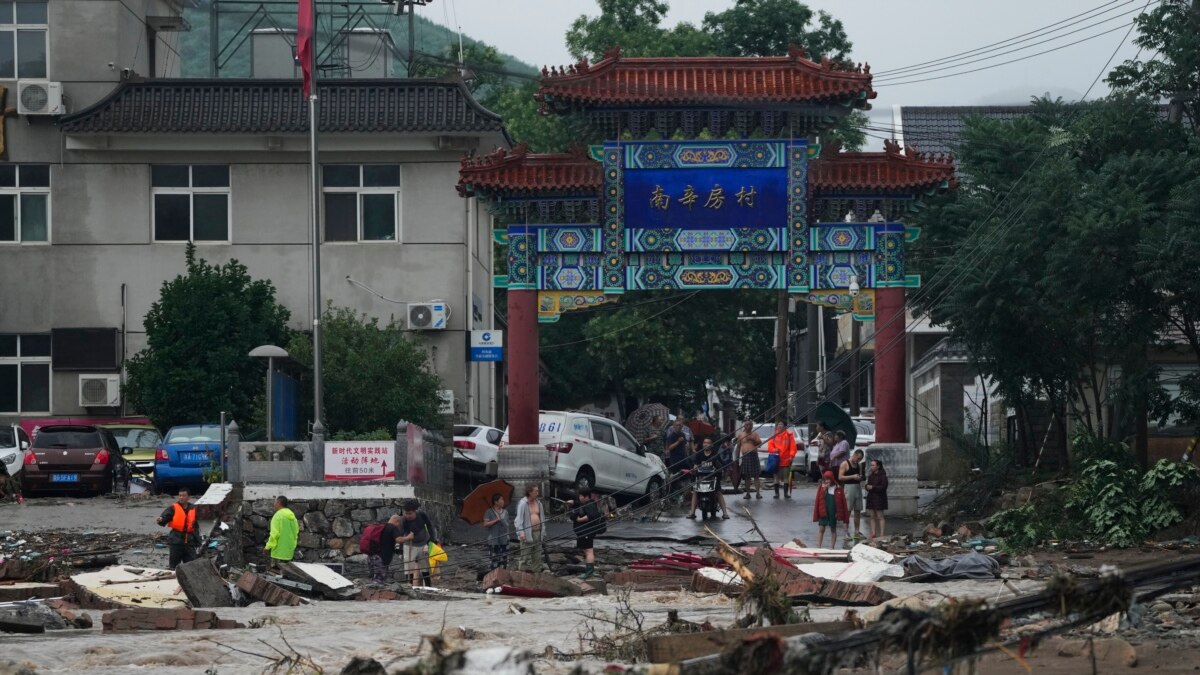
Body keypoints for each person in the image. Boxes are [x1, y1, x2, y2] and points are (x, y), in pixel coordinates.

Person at [397, 499, 438, 587]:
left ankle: (428, 587)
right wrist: (400, 550)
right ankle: (409, 586)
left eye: (410, 513)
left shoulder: (421, 515)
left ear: (415, 511)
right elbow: (400, 535)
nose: (408, 516)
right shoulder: (403, 520)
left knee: (425, 567)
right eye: (406, 513)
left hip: (423, 544)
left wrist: (431, 540)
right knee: (409, 568)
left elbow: (429, 526)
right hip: (409, 546)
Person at [156, 487, 199, 569]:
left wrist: (197, 540)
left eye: (183, 496)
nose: (181, 497)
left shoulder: (193, 508)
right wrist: (160, 520)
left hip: (189, 542)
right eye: (180, 496)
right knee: (173, 567)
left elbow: (196, 527)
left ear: (188, 497)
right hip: (176, 541)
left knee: (192, 566)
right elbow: (165, 517)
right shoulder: (173, 508)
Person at [686, 438, 729, 519]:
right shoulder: (699, 454)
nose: (706, 444)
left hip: (713, 478)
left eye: (708, 443)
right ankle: (692, 513)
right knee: (695, 492)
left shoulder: (715, 454)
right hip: (701, 478)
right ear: (703, 444)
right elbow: (695, 465)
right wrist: (693, 470)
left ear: (712, 445)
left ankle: (725, 513)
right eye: (704, 442)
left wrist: (721, 470)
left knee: (718, 492)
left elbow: (720, 465)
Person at [567, 487, 604, 579]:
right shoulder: (585, 504)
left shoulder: (590, 504)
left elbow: (592, 515)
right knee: (587, 551)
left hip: (587, 532)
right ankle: (589, 571)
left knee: (588, 551)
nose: (579, 498)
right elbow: (580, 505)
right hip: (584, 532)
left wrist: (579, 519)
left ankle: (589, 572)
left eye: (580, 496)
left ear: (585, 496)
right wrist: (573, 503)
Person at [514, 484, 548, 573]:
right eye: (535, 491)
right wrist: (521, 532)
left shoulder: (538, 503)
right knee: (525, 556)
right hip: (527, 533)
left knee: (537, 556)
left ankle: (536, 576)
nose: (538, 493)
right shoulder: (523, 504)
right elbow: (519, 520)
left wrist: (543, 531)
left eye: (537, 491)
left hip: (538, 532)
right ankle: (521, 575)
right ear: (530, 492)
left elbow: (542, 517)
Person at [812, 470, 849, 549]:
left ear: (832, 479)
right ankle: (818, 546)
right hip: (823, 511)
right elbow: (818, 501)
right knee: (821, 528)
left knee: (833, 528)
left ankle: (832, 547)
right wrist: (824, 490)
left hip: (833, 511)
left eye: (828, 479)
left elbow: (843, 502)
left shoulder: (837, 488)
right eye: (825, 479)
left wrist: (840, 514)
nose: (827, 481)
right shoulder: (821, 487)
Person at [368, 515, 407, 583]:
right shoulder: (392, 527)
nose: (398, 526)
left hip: (371, 557)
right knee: (379, 580)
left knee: (373, 578)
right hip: (380, 559)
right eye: (399, 524)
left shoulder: (381, 527)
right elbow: (399, 540)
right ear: (397, 521)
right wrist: (408, 537)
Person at [838, 449, 867, 539]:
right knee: (848, 510)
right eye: (857, 458)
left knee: (857, 510)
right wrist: (852, 476)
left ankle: (857, 531)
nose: (858, 461)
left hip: (857, 487)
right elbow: (840, 477)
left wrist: (860, 477)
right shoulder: (845, 464)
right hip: (848, 487)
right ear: (854, 455)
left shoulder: (859, 465)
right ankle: (846, 532)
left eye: (860, 459)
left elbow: (861, 475)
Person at [264, 495, 299, 568]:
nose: (274, 504)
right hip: (289, 552)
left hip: (278, 553)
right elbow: (296, 532)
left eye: (275, 502)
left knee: (275, 576)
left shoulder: (278, 516)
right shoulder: (292, 516)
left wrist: (267, 547)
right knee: (287, 575)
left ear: (278, 503)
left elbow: (274, 534)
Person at [767, 422, 798, 500]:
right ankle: (777, 494)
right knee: (776, 478)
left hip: (786, 459)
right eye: (779, 424)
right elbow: (770, 446)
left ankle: (785, 494)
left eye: (782, 424)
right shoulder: (774, 435)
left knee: (785, 478)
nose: (780, 426)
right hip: (776, 460)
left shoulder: (789, 435)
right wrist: (775, 450)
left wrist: (791, 456)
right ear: (777, 426)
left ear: (785, 426)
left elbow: (793, 447)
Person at [482, 494, 510, 571]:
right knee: (494, 560)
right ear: (496, 502)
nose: (503, 501)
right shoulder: (489, 512)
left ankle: (503, 578)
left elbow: (507, 525)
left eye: (503, 499)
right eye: (501, 500)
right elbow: (485, 524)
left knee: (504, 560)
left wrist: (502, 520)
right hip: (494, 540)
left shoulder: (505, 512)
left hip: (504, 539)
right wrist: (495, 520)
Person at [736, 421, 763, 500]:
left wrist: (753, 440)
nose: (748, 426)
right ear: (744, 426)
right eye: (747, 425)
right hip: (745, 456)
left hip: (753, 455)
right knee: (747, 476)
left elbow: (760, 444)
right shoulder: (741, 435)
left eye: (750, 425)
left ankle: (758, 493)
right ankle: (748, 493)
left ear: (752, 426)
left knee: (756, 475)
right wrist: (737, 458)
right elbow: (738, 447)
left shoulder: (755, 434)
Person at [865, 459, 889, 540]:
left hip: (879, 498)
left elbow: (883, 487)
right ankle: (873, 532)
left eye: (873, 465)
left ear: (878, 466)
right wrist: (867, 487)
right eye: (871, 465)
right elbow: (867, 485)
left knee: (880, 516)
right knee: (872, 516)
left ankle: (882, 533)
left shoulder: (883, 476)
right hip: (871, 497)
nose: (871, 467)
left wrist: (873, 487)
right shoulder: (870, 476)